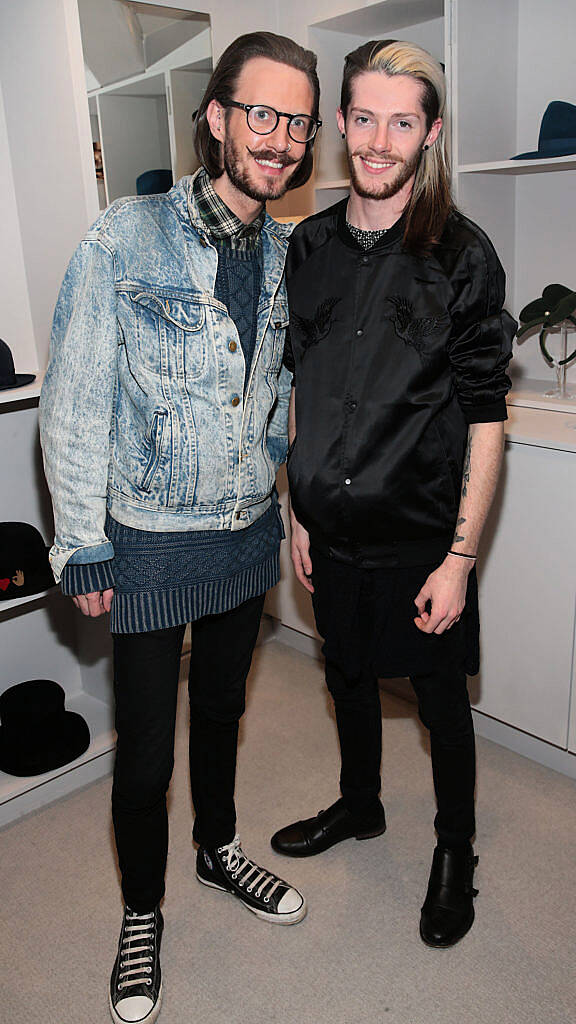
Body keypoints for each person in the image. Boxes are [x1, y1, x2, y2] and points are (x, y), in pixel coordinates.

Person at [40, 31, 321, 1024]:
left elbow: (286, 395)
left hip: (247, 532)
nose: (279, 139)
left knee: (224, 713)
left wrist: (299, 511)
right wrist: (79, 541)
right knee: (147, 749)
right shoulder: (125, 236)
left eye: (296, 121)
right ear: (216, 116)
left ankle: (216, 850)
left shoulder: (294, 252)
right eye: (261, 114)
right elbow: (72, 403)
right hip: (152, 535)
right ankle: (142, 910)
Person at [270, 39, 516, 949]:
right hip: (329, 528)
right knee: (345, 674)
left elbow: (487, 418)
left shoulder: (463, 255)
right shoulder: (308, 248)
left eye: (401, 122)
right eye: (364, 117)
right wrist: (296, 506)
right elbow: (298, 387)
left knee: (442, 701)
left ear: (431, 132)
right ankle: (360, 804)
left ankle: (458, 851)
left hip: (422, 532)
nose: (379, 140)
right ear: (339, 123)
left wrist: (461, 558)